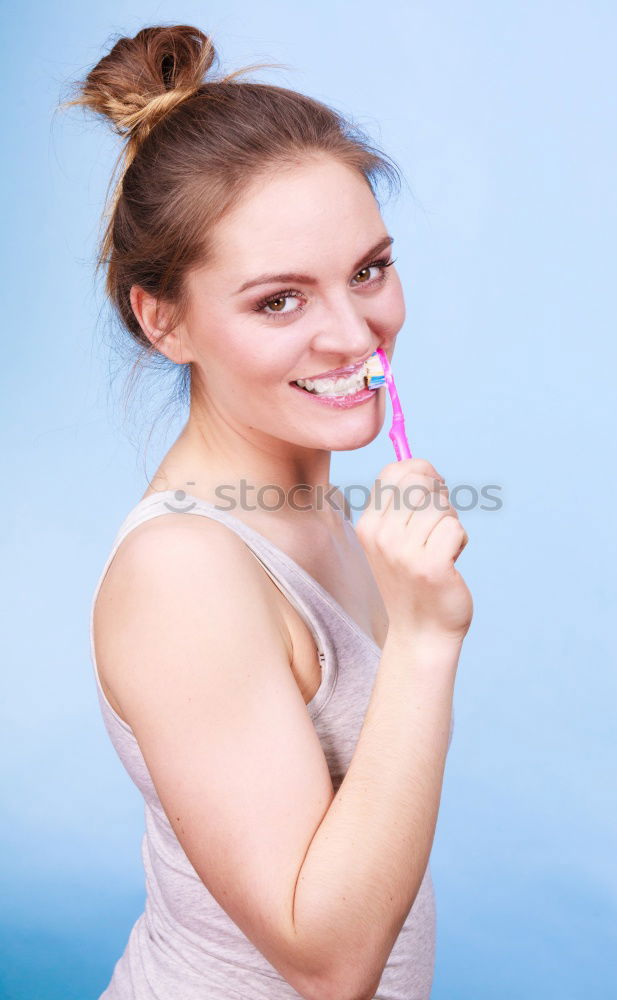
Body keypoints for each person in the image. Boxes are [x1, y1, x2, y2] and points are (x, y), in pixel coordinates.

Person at [65, 23, 473, 1000]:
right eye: (280, 301)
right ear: (161, 318)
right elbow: (329, 962)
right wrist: (423, 638)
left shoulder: (317, 505)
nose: (354, 332)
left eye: (368, 270)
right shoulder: (186, 574)